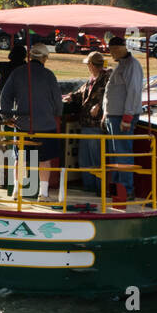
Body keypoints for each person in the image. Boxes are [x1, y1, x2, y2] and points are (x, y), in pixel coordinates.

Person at [0, 43, 62, 201]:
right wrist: (56, 114)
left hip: (22, 124)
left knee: (20, 158)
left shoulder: (18, 73)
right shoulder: (49, 75)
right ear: (45, 58)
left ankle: (17, 191)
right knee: (45, 160)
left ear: (30, 57)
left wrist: (7, 117)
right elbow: (58, 102)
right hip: (46, 125)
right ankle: (44, 193)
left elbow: (4, 97)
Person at [101, 35, 144, 200]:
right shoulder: (121, 66)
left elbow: (133, 92)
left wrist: (127, 117)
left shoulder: (132, 66)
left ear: (119, 49)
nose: (111, 54)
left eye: (112, 51)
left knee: (123, 154)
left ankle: (126, 189)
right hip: (114, 116)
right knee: (115, 155)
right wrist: (106, 112)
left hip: (122, 118)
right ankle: (117, 188)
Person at [62, 51, 110, 193]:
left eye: (88, 64)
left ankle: (100, 189)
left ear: (91, 65)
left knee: (97, 159)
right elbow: (80, 92)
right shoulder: (91, 80)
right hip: (86, 125)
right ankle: (89, 187)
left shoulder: (107, 78)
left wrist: (100, 106)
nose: (88, 67)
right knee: (85, 159)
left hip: (96, 125)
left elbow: (111, 95)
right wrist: (71, 97)